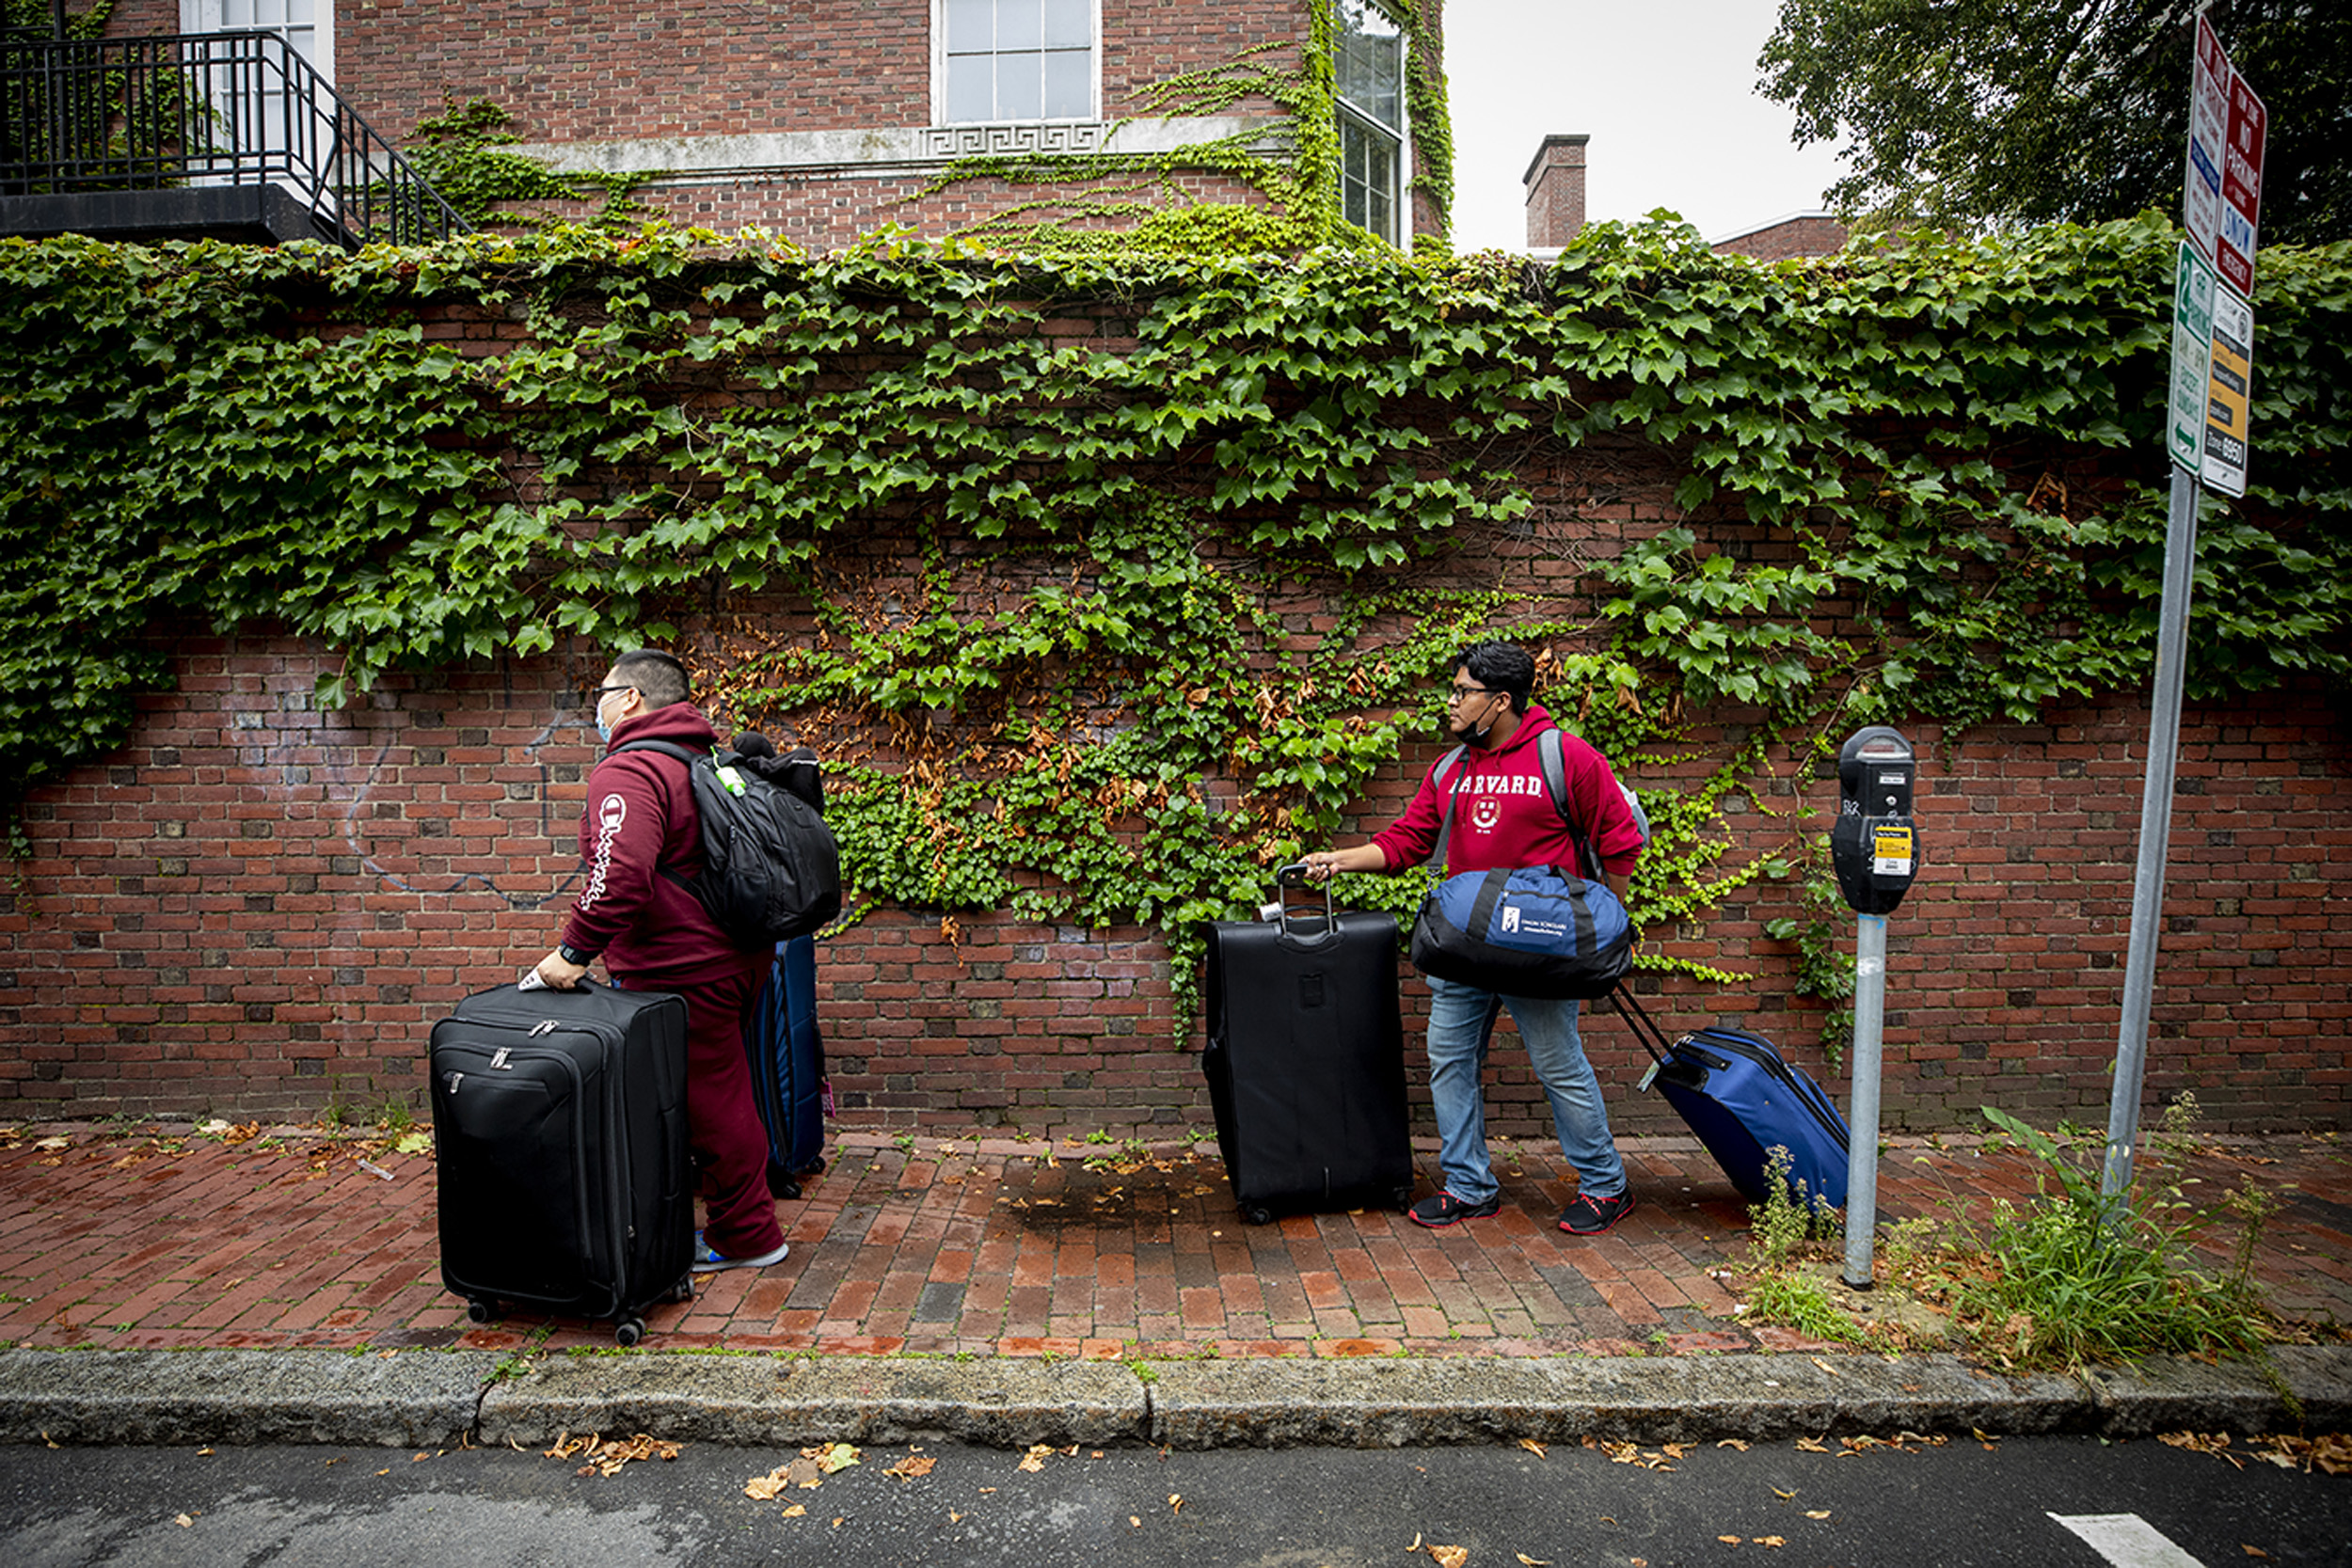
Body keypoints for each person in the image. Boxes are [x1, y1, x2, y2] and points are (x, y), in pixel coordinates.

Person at [1302, 640, 1646, 1236]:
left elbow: (1620, 841)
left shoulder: (1567, 758)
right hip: (1465, 949)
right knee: (1450, 1061)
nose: (1452, 703)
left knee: (1558, 1065)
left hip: (1539, 951)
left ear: (1501, 701)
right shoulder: (1451, 768)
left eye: (1463, 693)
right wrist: (1342, 859)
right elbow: (1409, 840)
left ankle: (1605, 1186)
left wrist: (1604, 923)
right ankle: (1468, 1185)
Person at [532, 649, 790, 1274]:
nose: (595, 706)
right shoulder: (702, 760)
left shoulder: (629, 770)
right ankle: (716, 1214)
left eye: (602, 692)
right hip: (735, 953)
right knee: (724, 1094)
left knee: (712, 1104)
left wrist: (572, 951)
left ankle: (749, 1235)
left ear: (630, 699)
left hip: (682, 966)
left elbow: (620, 875)